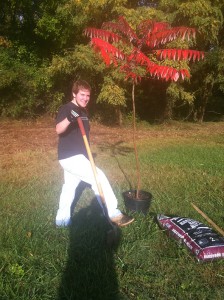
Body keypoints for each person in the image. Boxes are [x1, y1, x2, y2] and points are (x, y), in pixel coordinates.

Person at [55, 79, 134, 227]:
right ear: (74, 94)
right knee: (98, 177)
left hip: (79, 156)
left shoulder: (83, 110)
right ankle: (114, 213)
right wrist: (69, 118)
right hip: (70, 156)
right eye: (82, 94)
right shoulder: (67, 108)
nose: (85, 98)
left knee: (69, 187)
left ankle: (62, 221)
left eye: (87, 95)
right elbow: (59, 129)